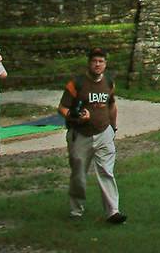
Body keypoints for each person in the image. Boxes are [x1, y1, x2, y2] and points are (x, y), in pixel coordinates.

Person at [58, 48, 126, 224]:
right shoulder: (77, 83)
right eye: (94, 61)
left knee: (106, 171)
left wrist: (113, 128)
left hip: (104, 133)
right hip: (81, 135)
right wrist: (75, 116)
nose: (97, 64)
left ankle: (113, 212)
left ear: (105, 64)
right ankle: (76, 210)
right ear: (89, 63)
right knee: (79, 174)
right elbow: (63, 107)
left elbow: (112, 105)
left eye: (101, 61)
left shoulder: (109, 82)